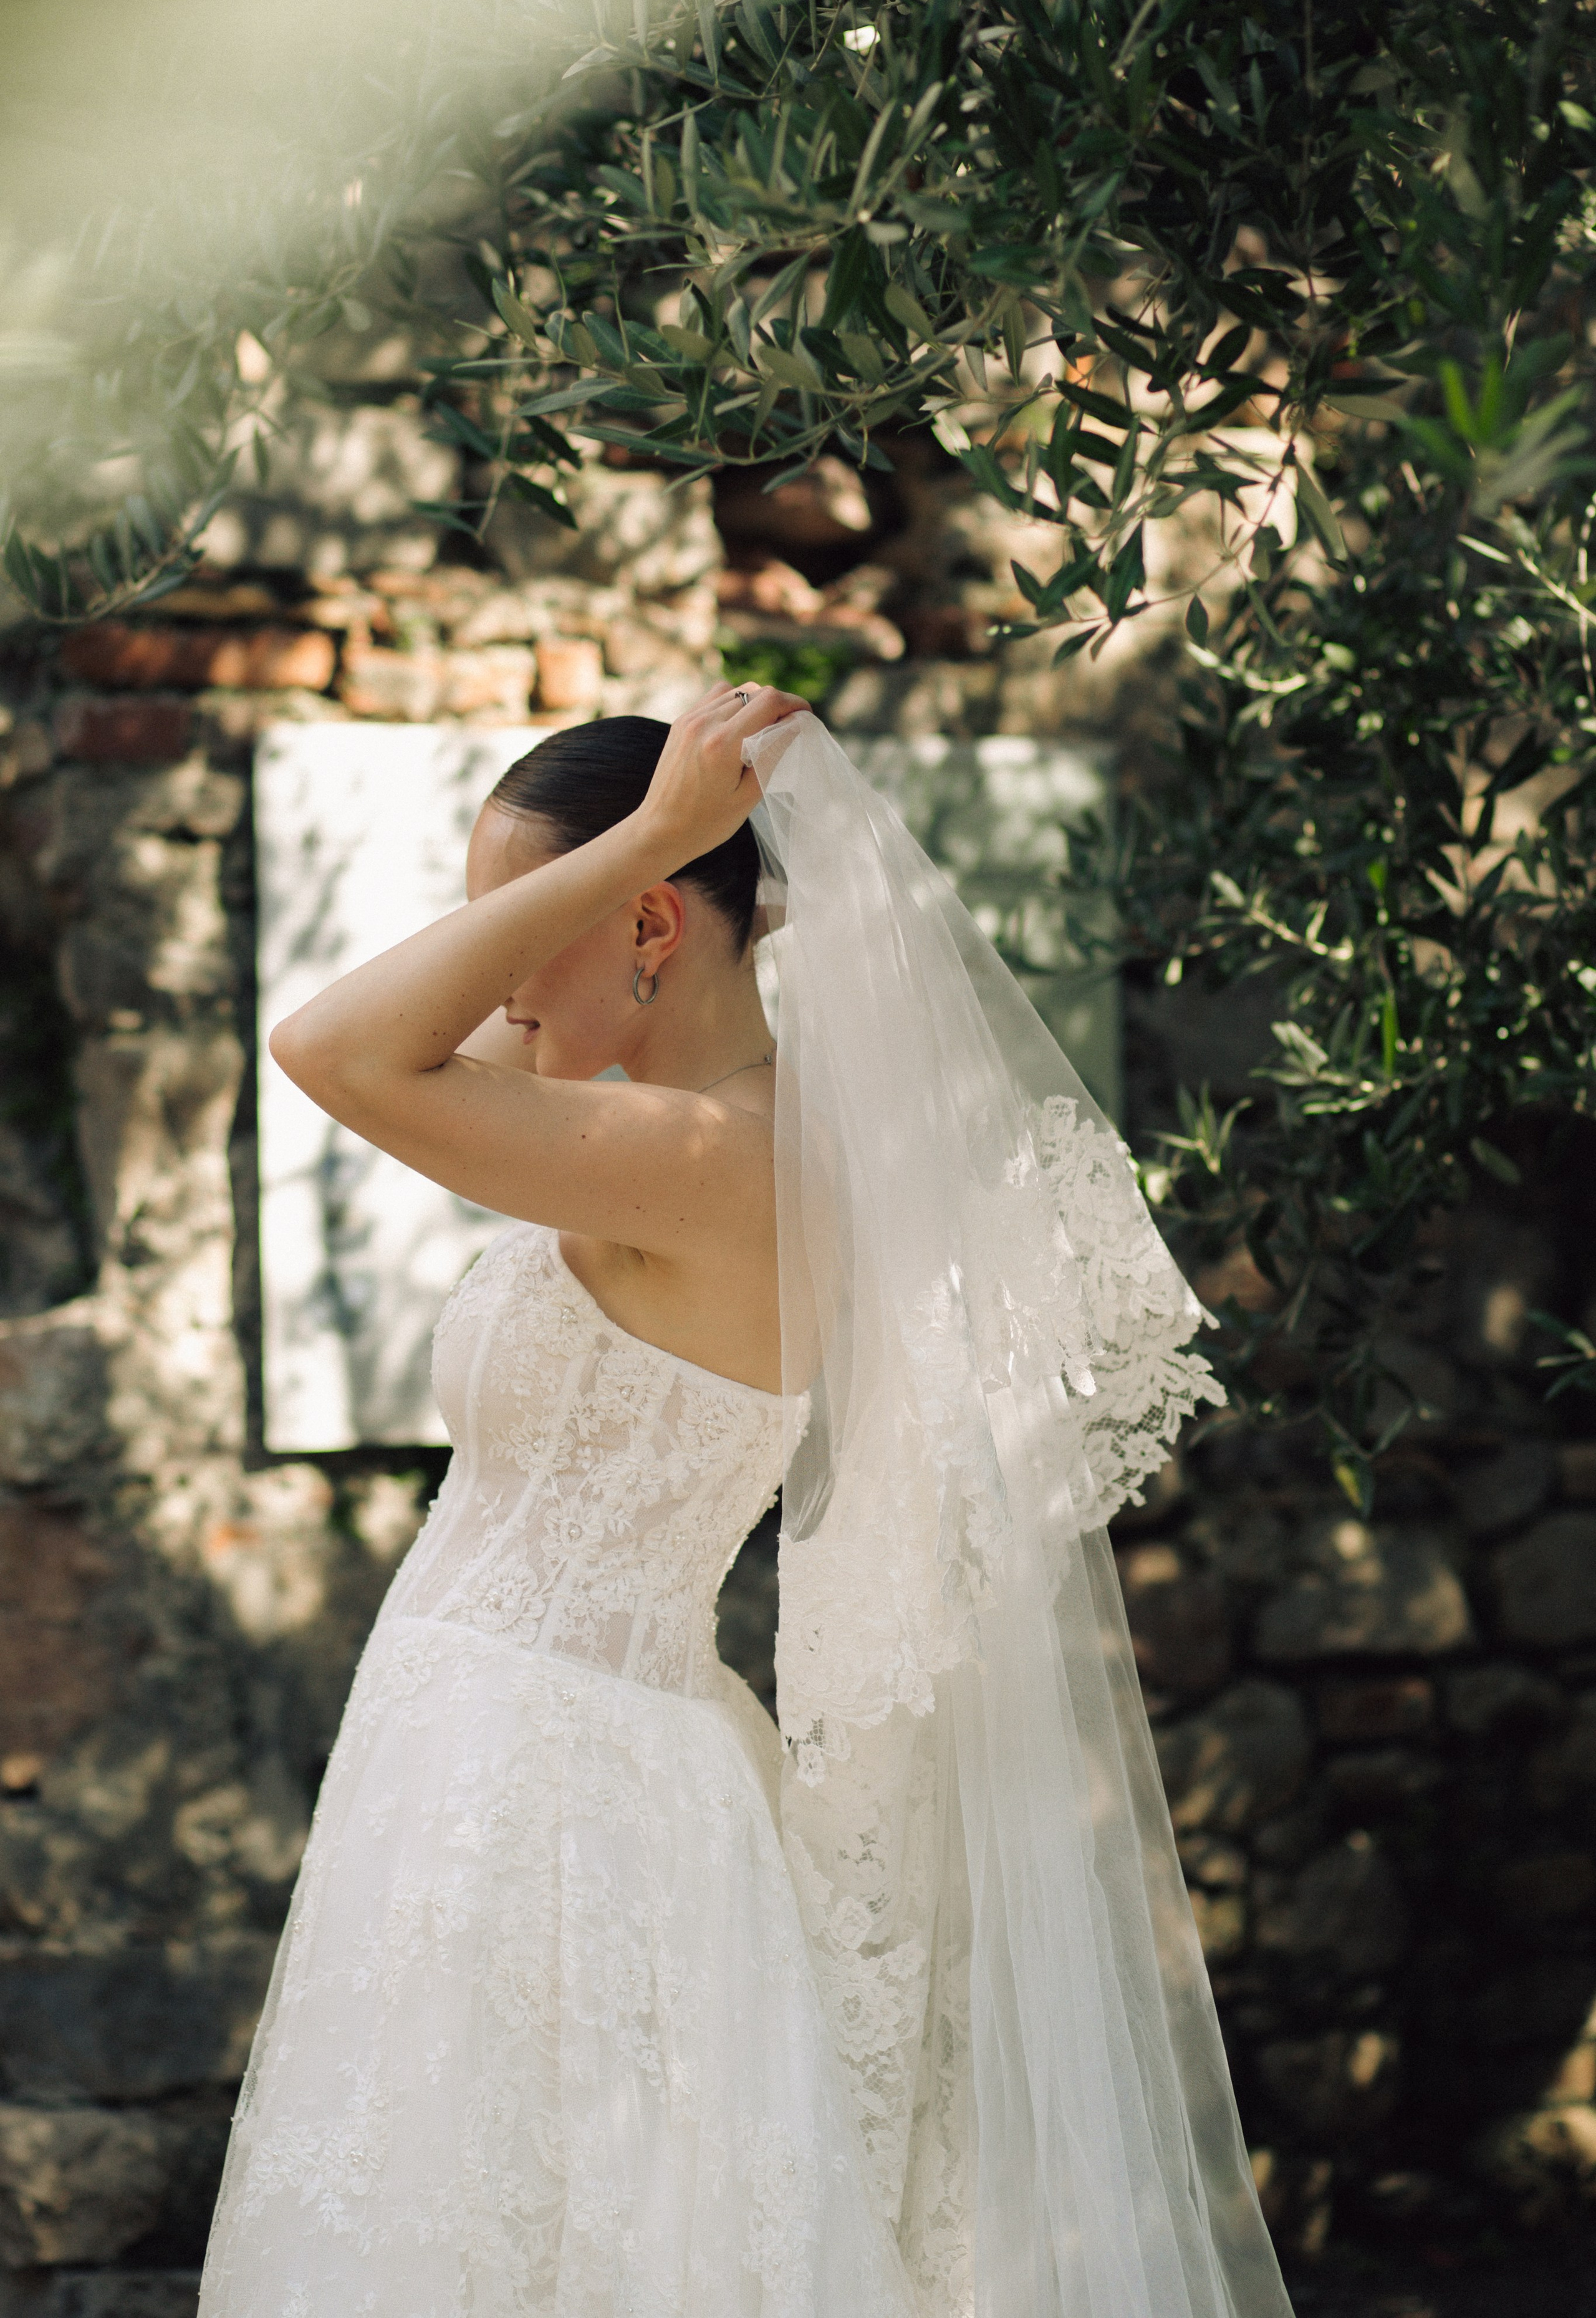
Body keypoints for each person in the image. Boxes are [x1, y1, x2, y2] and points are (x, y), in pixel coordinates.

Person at [198, 685, 1294, 2318]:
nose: (494, 962)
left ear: (646, 913)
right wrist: (592, 912)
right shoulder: (647, 1123)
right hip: (500, 1751)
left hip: (555, 1788)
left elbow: (332, 1051)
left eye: (510, 913)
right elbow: (438, 1041)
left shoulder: (709, 1163)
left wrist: (646, 835)